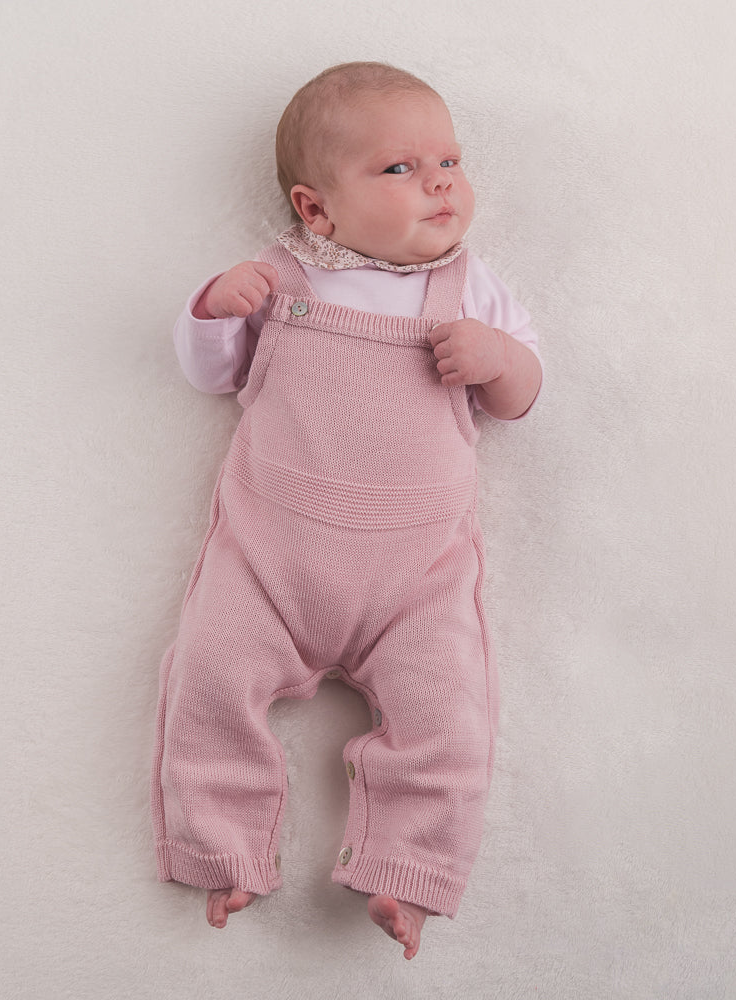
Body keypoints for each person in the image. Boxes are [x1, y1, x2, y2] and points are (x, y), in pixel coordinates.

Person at [151, 61, 542, 961]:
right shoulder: (281, 280)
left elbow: (522, 396)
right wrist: (213, 310)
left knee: (449, 717)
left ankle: (409, 872)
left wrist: (497, 359)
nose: (440, 181)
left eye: (449, 159)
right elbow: (212, 374)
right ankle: (221, 848)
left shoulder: (470, 289)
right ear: (316, 209)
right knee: (209, 679)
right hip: (268, 559)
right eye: (400, 169)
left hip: (418, 577)